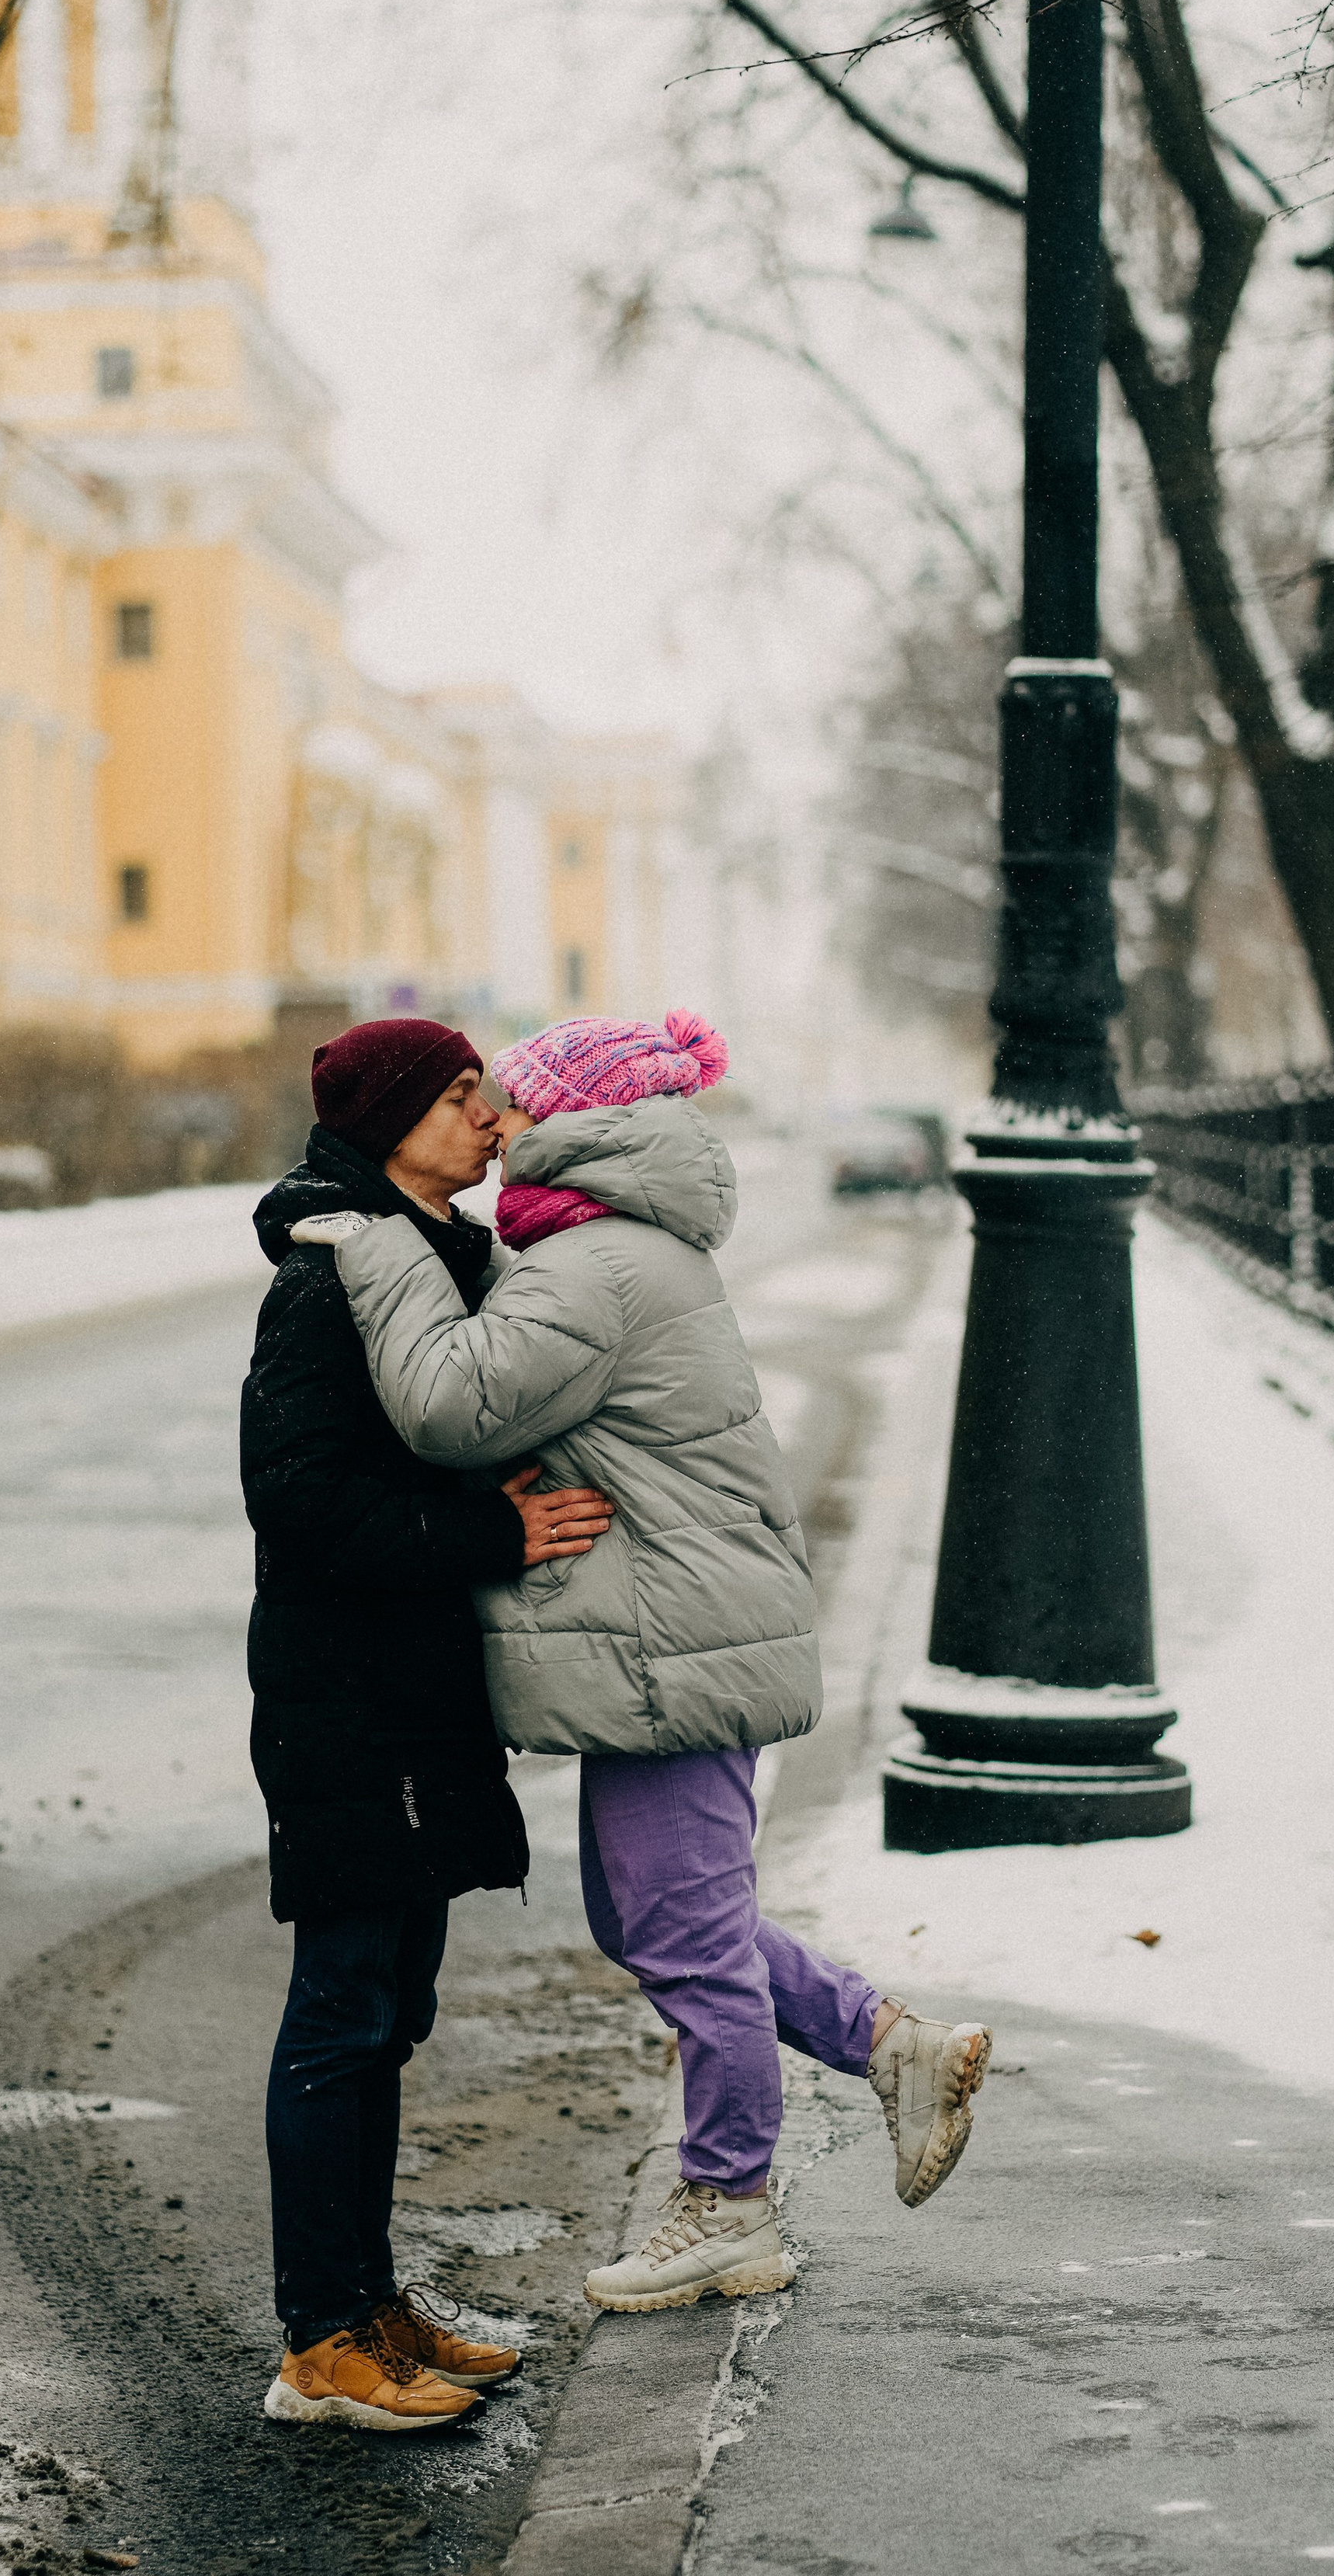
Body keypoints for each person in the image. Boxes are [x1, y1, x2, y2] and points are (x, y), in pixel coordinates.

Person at [293, 1007, 989, 2316]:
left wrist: (380, 1257)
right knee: (659, 1919)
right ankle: (893, 2048)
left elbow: (455, 1404)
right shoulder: (612, 1251)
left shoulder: (597, 1267)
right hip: (676, 1633)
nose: (499, 1129)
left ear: (581, 1128)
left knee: (678, 1931)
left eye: (519, 1108)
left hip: (673, 1644)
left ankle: (729, 2201)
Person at [241, 1015, 615, 2427]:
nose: (492, 1118)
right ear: (392, 1118)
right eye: (462, 1098)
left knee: (390, 2012)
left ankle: (372, 2305)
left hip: (417, 1688)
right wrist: (491, 1534)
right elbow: (298, 1502)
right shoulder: (328, 1282)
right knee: (341, 2009)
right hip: (348, 1692)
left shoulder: (442, 1263)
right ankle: (320, 2340)